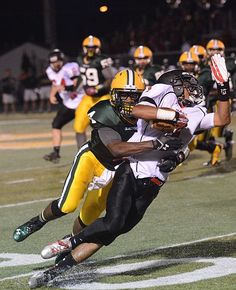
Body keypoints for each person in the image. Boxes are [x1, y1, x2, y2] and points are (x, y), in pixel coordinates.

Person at [28, 54, 231, 288]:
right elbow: (139, 111)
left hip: (155, 181)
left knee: (112, 233)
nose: (192, 89)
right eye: (187, 85)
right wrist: (170, 115)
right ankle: (68, 242)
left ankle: (53, 273)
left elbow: (222, 118)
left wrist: (223, 86)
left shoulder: (195, 112)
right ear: (174, 86)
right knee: (113, 223)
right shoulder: (161, 93)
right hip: (132, 169)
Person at [13, 69, 182, 245]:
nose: (130, 101)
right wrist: (154, 144)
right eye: (124, 95)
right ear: (114, 96)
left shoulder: (149, 115)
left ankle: (71, 244)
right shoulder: (104, 111)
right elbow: (115, 149)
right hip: (93, 159)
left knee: (88, 216)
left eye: (134, 96)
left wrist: (175, 154)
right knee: (67, 205)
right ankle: (38, 221)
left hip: (118, 169)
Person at [43, 49, 84, 163]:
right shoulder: (50, 71)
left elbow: (79, 83)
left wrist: (65, 88)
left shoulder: (70, 67)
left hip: (82, 102)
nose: (56, 65)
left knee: (85, 127)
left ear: (62, 60)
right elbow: (55, 83)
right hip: (69, 104)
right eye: (53, 63)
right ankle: (56, 153)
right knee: (56, 124)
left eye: (58, 62)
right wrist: (52, 94)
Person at [74, 35, 115, 149]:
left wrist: (97, 89)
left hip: (102, 96)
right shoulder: (79, 59)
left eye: (93, 47)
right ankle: (81, 152)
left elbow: (110, 79)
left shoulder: (102, 60)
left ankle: (110, 151)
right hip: (88, 98)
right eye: (88, 47)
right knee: (79, 126)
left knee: (105, 126)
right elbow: (82, 77)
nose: (90, 49)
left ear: (98, 48)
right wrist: (74, 89)